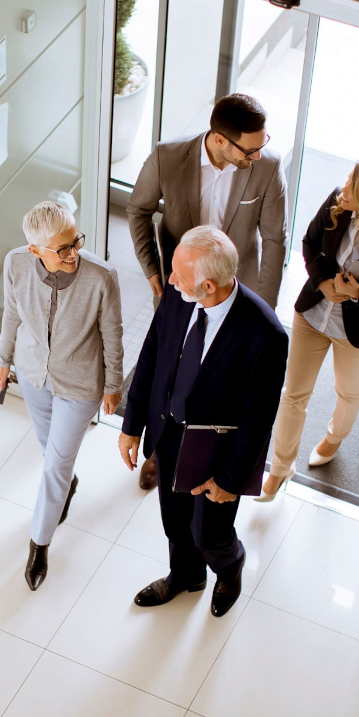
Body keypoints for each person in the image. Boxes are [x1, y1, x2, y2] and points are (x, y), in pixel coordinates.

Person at [117, 227, 287, 617]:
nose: (170, 279)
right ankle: (187, 577)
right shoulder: (178, 298)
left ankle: (230, 567)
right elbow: (152, 356)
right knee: (175, 523)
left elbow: (259, 419)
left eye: (178, 273)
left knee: (209, 534)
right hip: (170, 433)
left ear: (208, 285)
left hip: (216, 452)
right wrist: (132, 423)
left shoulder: (265, 335)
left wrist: (229, 479)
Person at [126, 93, 288, 490]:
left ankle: (209, 454)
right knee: (169, 365)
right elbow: (138, 210)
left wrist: (261, 309)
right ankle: (160, 452)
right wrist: (152, 270)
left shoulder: (267, 168)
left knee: (221, 379)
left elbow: (275, 239)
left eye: (261, 146)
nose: (256, 156)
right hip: (181, 288)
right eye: (249, 150)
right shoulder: (168, 157)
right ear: (219, 139)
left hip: (234, 294)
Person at [257, 156, 359, 501]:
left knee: (347, 389)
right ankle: (280, 468)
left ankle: (333, 438)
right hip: (313, 315)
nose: (343, 189)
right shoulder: (337, 203)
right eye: (347, 180)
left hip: (357, 331)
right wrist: (324, 280)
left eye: (353, 187)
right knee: (293, 394)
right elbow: (309, 244)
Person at [0, 201, 124, 591]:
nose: (74, 253)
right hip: (34, 375)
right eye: (63, 249)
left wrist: (114, 384)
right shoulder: (16, 264)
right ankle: (67, 487)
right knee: (48, 450)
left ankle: (39, 545)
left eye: (76, 242)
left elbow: (112, 335)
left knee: (54, 465)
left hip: (81, 385)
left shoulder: (101, 278)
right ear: (36, 250)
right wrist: (4, 361)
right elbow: (11, 314)